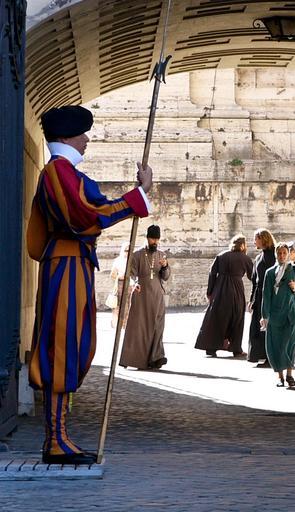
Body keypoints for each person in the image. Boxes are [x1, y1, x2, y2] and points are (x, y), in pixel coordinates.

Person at [26, 105, 152, 465]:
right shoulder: (57, 172)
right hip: (66, 266)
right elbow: (85, 216)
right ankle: (55, 440)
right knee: (62, 347)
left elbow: (95, 205)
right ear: (66, 137)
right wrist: (137, 198)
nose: (86, 140)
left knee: (74, 345)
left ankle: (59, 436)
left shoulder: (65, 172)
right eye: (82, 134)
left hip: (74, 264)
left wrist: (138, 193)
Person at [119, 225, 170, 370]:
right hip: (141, 296)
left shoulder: (162, 255)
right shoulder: (137, 255)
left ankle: (156, 357)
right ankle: (135, 359)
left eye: (157, 239)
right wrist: (134, 283)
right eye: (153, 239)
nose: (155, 242)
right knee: (139, 328)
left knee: (158, 327)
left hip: (157, 296)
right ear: (147, 238)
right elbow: (131, 274)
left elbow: (165, 277)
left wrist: (165, 266)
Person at [195, 234, 253, 358]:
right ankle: (236, 348)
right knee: (237, 318)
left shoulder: (221, 256)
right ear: (243, 245)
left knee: (217, 318)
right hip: (237, 290)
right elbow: (253, 276)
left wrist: (210, 292)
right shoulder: (245, 258)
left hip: (220, 290)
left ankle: (211, 348)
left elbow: (212, 274)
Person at [261, 242, 295, 387]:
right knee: (276, 346)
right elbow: (266, 296)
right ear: (276, 254)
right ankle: (280, 376)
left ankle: (289, 375)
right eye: (279, 253)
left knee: (290, 346)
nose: (282, 256)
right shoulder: (270, 273)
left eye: (284, 253)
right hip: (275, 315)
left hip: (291, 315)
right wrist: (264, 316)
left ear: (288, 254)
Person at [247, 228, 276, 367]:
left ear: (263, 239)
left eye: (256, 239)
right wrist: (251, 299)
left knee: (268, 326)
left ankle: (270, 357)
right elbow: (255, 280)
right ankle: (261, 355)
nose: (254, 242)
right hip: (259, 296)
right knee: (257, 327)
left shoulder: (274, 255)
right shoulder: (259, 257)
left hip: (270, 295)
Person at [109, 242, 131, 329]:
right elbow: (112, 275)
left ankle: (126, 324)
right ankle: (116, 324)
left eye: (129, 250)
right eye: (126, 250)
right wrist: (120, 276)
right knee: (118, 305)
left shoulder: (133, 260)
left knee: (128, 305)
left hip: (131, 285)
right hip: (120, 285)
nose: (127, 252)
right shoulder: (118, 260)